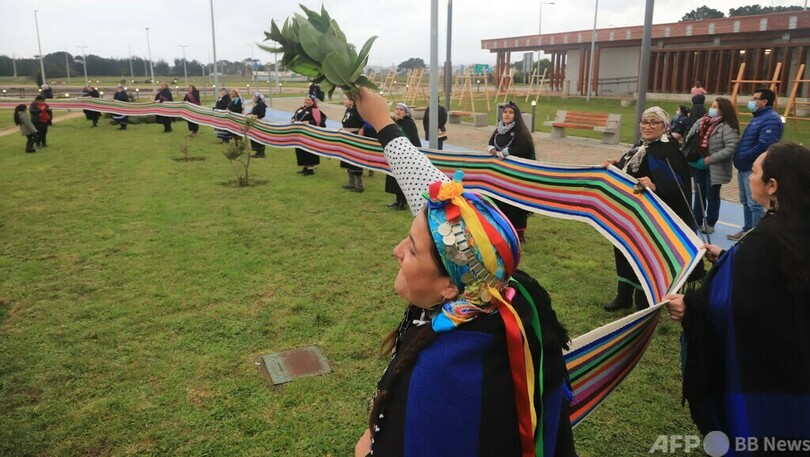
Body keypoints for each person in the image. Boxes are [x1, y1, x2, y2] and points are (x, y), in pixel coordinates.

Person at [351, 86, 576, 457]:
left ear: (450, 288)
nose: (396, 251)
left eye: (410, 247)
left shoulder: (446, 373)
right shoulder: (496, 285)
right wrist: (382, 123)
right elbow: (443, 215)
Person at [664, 142, 810, 444]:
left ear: (772, 186)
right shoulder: (796, 226)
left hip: (766, 379)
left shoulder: (766, 242)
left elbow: (737, 304)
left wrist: (690, 307)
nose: (749, 177)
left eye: (754, 171)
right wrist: (729, 257)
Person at [602, 107, 697, 311]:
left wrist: (656, 186)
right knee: (624, 251)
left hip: (651, 219)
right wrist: (616, 164)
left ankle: (644, 299)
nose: (648, 127)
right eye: (644, 122)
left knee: (645, 257)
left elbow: (679, 187)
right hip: (630, 215)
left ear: (664, 127)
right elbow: (632, 170)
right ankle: (623, 295)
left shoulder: (669, 152)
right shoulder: (641, 147)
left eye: (654, 123)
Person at [728, 87, 784, 241]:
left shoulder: (771, 119)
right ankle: (747, 230)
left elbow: (765, 145)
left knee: (755, 204)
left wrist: (745, 156)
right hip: (744, 167)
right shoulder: (758, 117)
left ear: (764, 101)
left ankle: (755, 237)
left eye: (754, 98)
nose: (751, 101)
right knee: (745, 201)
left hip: (753, 168)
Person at [683, 97, 740, 235]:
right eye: (712, 106)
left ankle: (710, 222)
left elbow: (731, 147)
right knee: (698, 193)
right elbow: (689, 137)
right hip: (697, 163)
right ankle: (697, 219)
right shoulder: (702, 121)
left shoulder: (728, 126)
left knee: (712, 194)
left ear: (723, 110)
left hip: (714, 167)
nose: (712, 109)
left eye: (716, 107)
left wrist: (711, 159)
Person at [487, 101, 535, 242]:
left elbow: (526, 149)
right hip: (500, 176)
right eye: (505, 112)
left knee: (514, 204)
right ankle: (502, 229)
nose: (507, 115)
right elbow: (491, 142)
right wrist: (491, 149)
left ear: (516, 116)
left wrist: (507, 152)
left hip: (516, 176)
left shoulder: (520, 132)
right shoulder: (499, 130)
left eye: (510, 112)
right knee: (499, 201)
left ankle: (518, 234)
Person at [387, 102, 422, 209]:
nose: (398, 111)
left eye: (401, 109)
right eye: (396, 109)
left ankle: (403, 201)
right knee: (394, 178)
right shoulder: (392, 122)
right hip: (394, 153)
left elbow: (412, 138)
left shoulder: (409, 123)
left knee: (404, 177)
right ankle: (398, 199)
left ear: (405, 113)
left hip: (405, 154)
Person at [290, 94, 326, 176]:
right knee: (301, 150)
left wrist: (309, 122)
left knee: (308, 151)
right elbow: (295, 116)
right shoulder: (300, 109)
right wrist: (293, 119)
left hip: (309, 135)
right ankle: (304, 167)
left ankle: (310, 169)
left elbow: (320, 123)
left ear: (313, 102)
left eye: (309, 100)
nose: (307, 101)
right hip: (299, 134)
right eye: (306, 100)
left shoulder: (315, 111)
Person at [339, 95, 366, 191]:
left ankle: (359, 186)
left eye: (345, 99)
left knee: (355, 160)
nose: (343, 101)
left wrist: (362, 129)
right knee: (348, 159)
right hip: (347, 137)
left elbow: (366, 121)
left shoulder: (357, 111)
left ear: (352, 101)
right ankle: (351, 183)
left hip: (354, 137)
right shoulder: (348, 110)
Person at [249, 92, 267, 158]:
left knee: (259, 137)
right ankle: (257, 152)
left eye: (254, 97)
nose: (253, 98)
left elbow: (262, 114)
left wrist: (255, 116)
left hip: (259, 123)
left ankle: (261, 152)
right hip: (254, 122)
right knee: (255, 137)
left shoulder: (261, 105)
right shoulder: (256, 104)